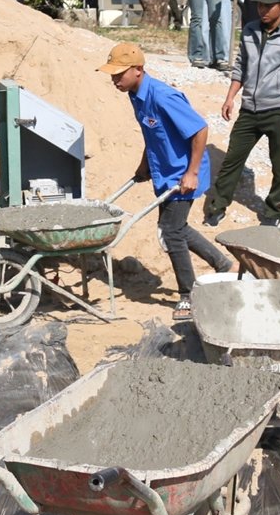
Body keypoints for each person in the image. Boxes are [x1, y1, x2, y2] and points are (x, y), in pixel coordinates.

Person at [99, 42, 234, 321]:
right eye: (112, 75)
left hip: (183, 174)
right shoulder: (136, 95)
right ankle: (224, 265)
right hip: (164, 173)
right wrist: (144, 166)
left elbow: (199, 130)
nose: (114, 80)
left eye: (119, 74)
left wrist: (192, 172)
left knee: (170, 231)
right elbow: (153, 135)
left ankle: (188, 295)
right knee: (178, 228)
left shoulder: (162, 97)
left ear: (138, 70)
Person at [202, 0, 280, 228]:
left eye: (268, 6)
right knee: (233, 159)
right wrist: (230, 97)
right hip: (249, 109)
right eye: (260, 4)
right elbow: (240, 66)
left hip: (279, 110)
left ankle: (273, 211)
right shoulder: (250, 30)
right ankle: (217, 206)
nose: (262, 10)